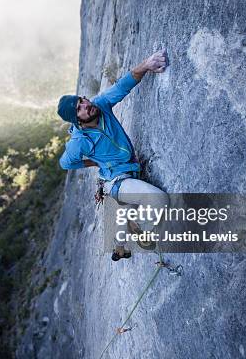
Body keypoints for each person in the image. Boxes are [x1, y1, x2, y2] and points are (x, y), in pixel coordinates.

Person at [56, 50, 170, 262]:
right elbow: (65, 163)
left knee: (123, 214)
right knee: (159, 200)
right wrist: (92, 162)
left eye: (82, 100)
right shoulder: (79, 142)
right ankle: (140, 230)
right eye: (79, 108)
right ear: (77, 120)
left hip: (123, 175)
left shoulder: (101, 105)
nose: (86, 105)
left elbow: (123, 85)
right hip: (117, 181)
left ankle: (119, 250)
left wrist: (146, 64)